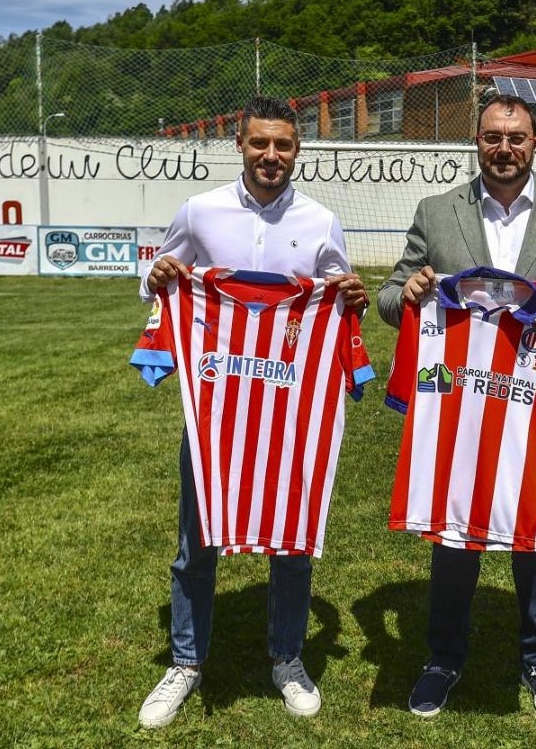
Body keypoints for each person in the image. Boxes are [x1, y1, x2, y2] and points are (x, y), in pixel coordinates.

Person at [377, 94, 536, 721]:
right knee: (453, 531)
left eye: (516, 138)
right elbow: (389, 296)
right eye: (493, 137)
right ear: (477, 142)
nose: (504, 148)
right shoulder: (438, 212)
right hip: (459, 407)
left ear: (534, 144)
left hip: (535, 408)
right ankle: (442, 656)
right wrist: (405, 294)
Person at [135, 95, 368, 729]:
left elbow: (340, 298)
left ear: (298, 151)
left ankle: (287, 658)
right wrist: (157, 278)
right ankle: (185, 661)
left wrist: (353, 296)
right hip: (215, 411)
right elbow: (161, 280)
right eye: (260, 144)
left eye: (283, 146)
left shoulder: (321, 221)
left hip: (292, 414)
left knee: (292, 541)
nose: (271, 156)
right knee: (195, 541)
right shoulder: (199, 210)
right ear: (240, 144)